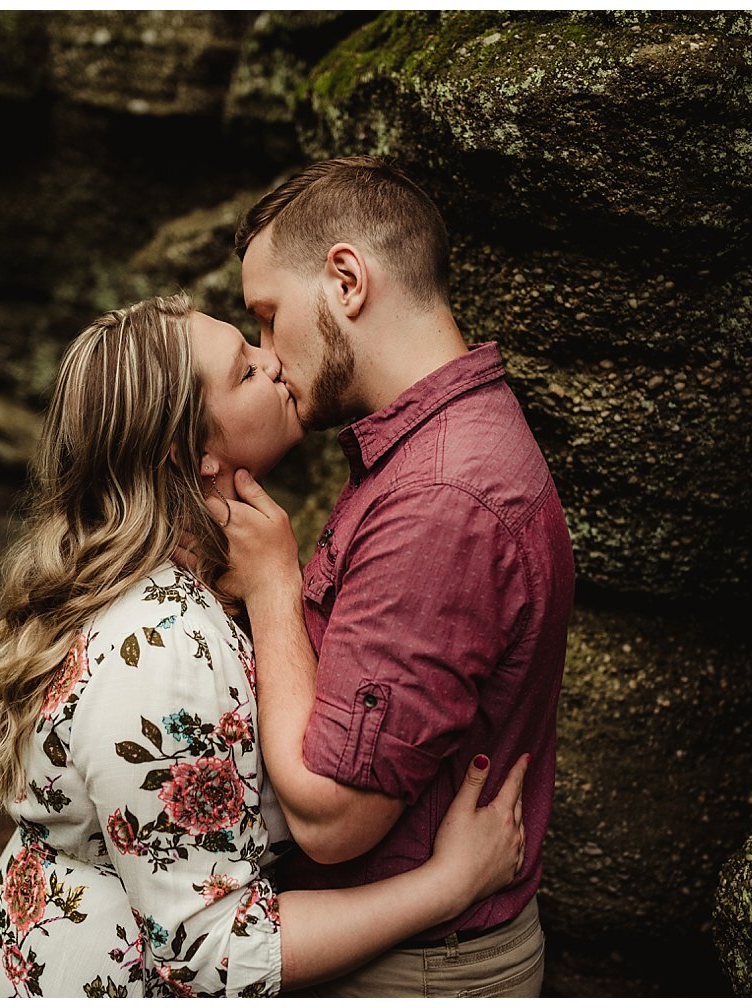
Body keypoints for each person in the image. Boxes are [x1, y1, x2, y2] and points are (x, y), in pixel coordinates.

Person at [0, 292, 530, 997]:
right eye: (244, 372)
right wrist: (448, 885)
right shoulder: (162, 647)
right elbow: (215, 955)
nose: (274, 360)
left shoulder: (180, 593)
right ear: (189, 453)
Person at [202, 156, 576, 996]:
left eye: (267, 317)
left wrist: (269, 584)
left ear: (345, 279)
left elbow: (333, 819)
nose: (267, 353)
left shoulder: (441, 499)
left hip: (416, 966)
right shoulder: (423, 449)